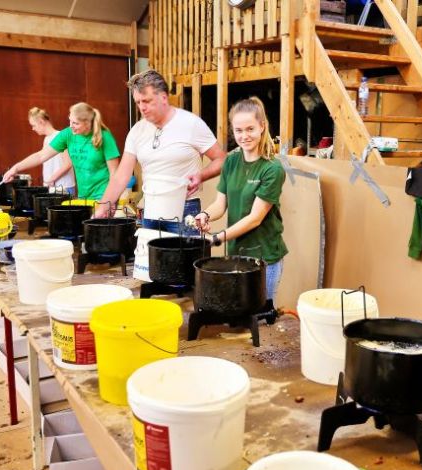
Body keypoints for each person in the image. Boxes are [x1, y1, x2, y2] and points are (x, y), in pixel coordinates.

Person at [94, 69, 226, 232]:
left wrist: (201, 175)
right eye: (138, 102)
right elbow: (121, 175)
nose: (142, 107)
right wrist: (104, 205)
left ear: (163, 97)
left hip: (185, 209)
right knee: (149, 250)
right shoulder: (137, 131)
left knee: (184, 250)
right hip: (151, 208)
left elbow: (222, 159)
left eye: (146, 101)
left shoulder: (191, 124)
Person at [195, 97, 288, 304]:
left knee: (260, 314)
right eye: (238, 130)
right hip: (236, 253)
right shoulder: (231, 161)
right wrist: (205, 214)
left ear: (262, 126)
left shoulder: (272, 169)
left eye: (250, 129)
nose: (244, 136)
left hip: (264, 257)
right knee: (239, 310)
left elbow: (255, 218)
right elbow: (220, 204)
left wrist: (217, 238)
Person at [4, 102, 120, 200]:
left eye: (76, 123)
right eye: (70, 121)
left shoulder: (105, 137)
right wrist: (16, 168)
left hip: (104, 196)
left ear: (87, 123)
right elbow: (41, 156)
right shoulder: (68, 134)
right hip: (83, 197)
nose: (71, 126)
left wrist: (109, 201)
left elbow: (114, 174)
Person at [26, 107, 76, 195]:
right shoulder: (47, 139)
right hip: (53, 188)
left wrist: (52, 179)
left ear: (41, 122)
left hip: (64, 187)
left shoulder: (60, 136)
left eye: (33, 125)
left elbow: (68, 163)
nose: (33, 128)